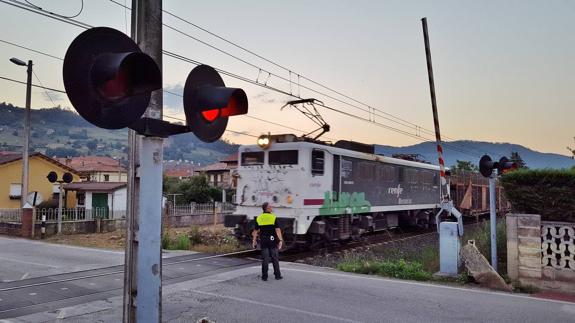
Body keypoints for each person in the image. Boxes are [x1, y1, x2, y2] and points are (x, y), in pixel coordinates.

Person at [252, 202, 283, 281]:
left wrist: (254, 241)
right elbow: (277, 230)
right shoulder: (273, 217)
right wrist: (280, 240)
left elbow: (255, 231)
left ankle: (264, 276)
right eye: (270, 206)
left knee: (265, 259)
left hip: (264, 240)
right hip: (272, 240)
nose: (271, 207)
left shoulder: (259, 217)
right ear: (267, 208)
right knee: (274, 258)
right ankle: (277, 275)